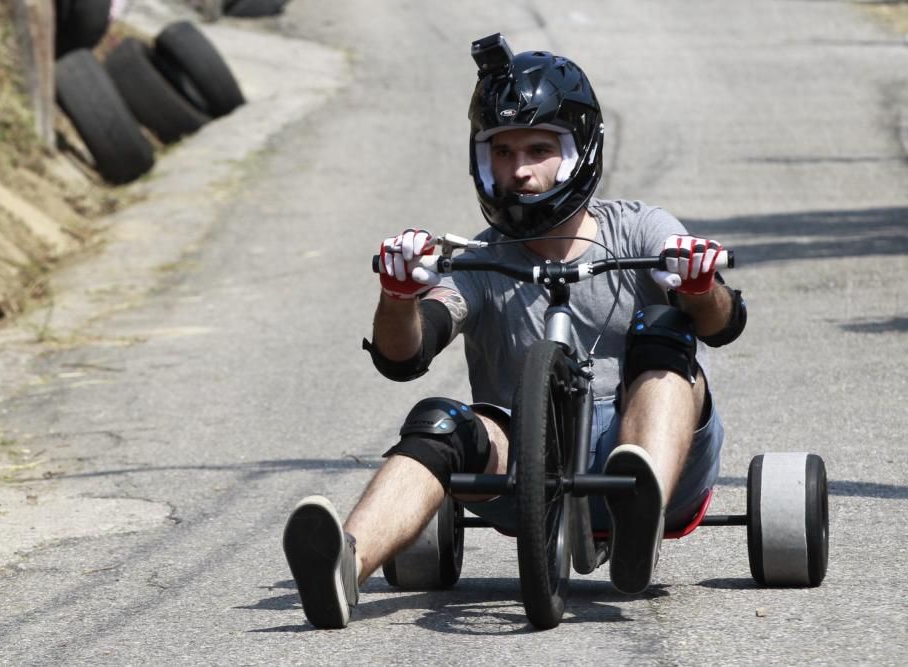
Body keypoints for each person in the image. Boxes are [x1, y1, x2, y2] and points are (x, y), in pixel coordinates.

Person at [282, 34, 747, 629]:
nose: (520, 171)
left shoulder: (639, 231)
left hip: (650, 446)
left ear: (580, 150)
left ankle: (639, 504)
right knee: (438, 424)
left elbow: (723, 323)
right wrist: (398, 296)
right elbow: (407, 354)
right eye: (502, 152)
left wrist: (697, 282)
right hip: (525, 464)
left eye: (538, 149)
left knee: (664, 330)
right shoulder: (481, 260)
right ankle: (343, 568)